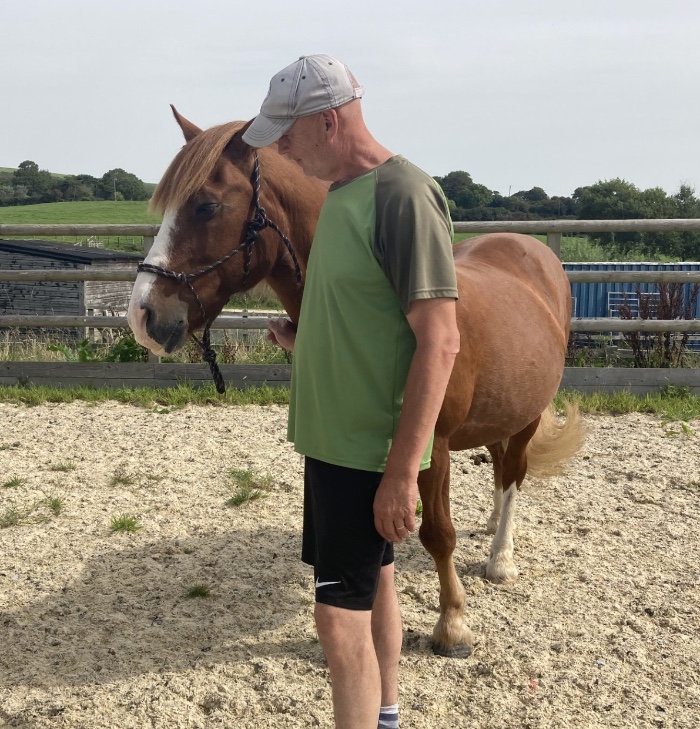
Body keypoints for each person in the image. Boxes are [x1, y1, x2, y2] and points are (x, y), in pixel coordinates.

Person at [242, 54, 460, 729]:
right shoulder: (342, 195)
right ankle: (386, 714)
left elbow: (440, 340)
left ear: (329, 120)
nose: (279, 149)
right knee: (376, 586)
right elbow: (369, 323)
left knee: (337, 626)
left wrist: (401, 474)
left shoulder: (402, 196)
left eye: (288, 134)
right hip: (334, 443)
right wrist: (303, 343)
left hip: (366, 454)